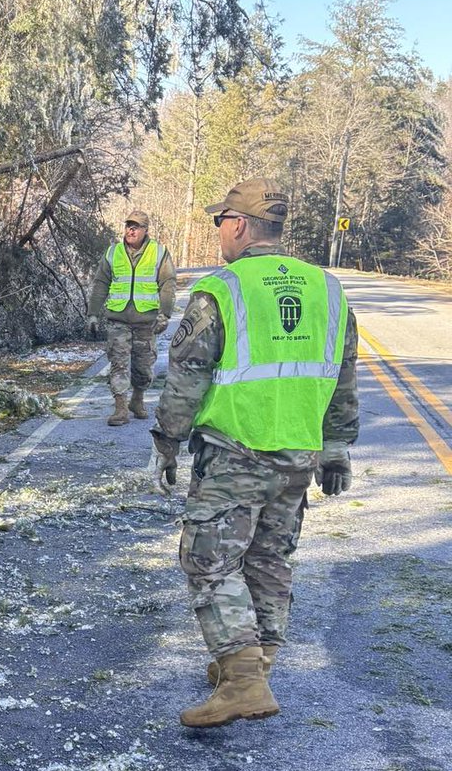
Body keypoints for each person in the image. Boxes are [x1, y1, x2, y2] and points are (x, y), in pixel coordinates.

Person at [150, 178, 359, 728]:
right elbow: (343, 377)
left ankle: (242, 680)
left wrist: (167, 441)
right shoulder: (327, 289)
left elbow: (187, 378)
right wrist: (336, 447)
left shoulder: (223, 290)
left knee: (208, 560)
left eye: (221, 221)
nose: (219, 230)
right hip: (298, 457)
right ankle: (255, 668)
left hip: (235, 452)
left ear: (239, 225)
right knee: (269, 561)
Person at [85, 210, 177, 425]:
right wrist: (92, 314)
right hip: (118, 320)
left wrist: (165, 314)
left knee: (143, 367)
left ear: (146, 230)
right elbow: (100, 284)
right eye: (128, 226)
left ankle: (137, 399)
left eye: (136, 227)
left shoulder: (159, 252)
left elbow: (168, 284)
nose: (131, 230)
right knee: (118, 363)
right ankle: (120, 408)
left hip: (146, 321)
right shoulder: (113, 252)